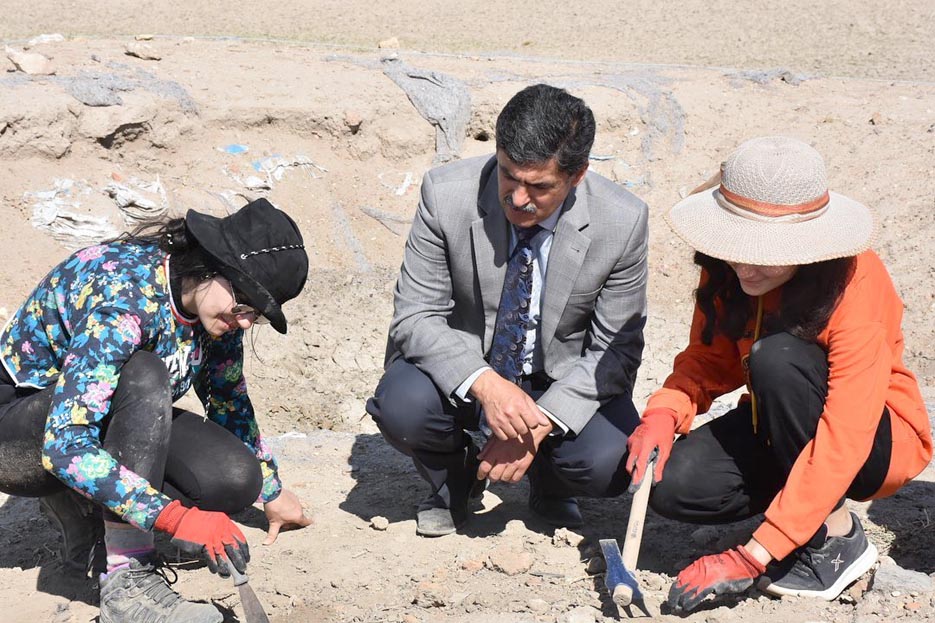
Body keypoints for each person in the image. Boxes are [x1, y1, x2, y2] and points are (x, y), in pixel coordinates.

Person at [624, 136, 933, 612]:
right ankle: (800, 500)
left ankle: (834, 539)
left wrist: (754, 554)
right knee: (672, 485)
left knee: (776, 356)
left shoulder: (857, 283)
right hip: (775, 423)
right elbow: (710, 359)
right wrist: (666, 411)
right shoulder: (732, 269)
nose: (745, 264)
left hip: (873, 443)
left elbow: (845, 434)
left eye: (765, 251)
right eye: (735, 245)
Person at [0, 198, 313, 623]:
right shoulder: (124, 301)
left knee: (236, 480)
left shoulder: (215, 311)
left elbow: (228, 398)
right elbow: (64, 445)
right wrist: (174, 518)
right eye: (244, 305)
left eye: (255, 315)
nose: (244, 322)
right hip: (20, 431)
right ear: (210, 266)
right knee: (145, 373)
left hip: (99, 419)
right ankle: (128, 581)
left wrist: (271, 491)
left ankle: (97, 507)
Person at [366, 83, 648, 536]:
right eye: (508, 176)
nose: (518, 198)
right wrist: (487, 386)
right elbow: (415, 316)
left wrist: (540, 424)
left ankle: (551, 484)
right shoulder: (446, 194)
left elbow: (615, 350)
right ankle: (455, 478)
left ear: (577, 176)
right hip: (467, 372)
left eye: (539, 187)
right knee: (403, 407)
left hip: (556, 381)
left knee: (610, 461)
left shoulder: (622, 221)